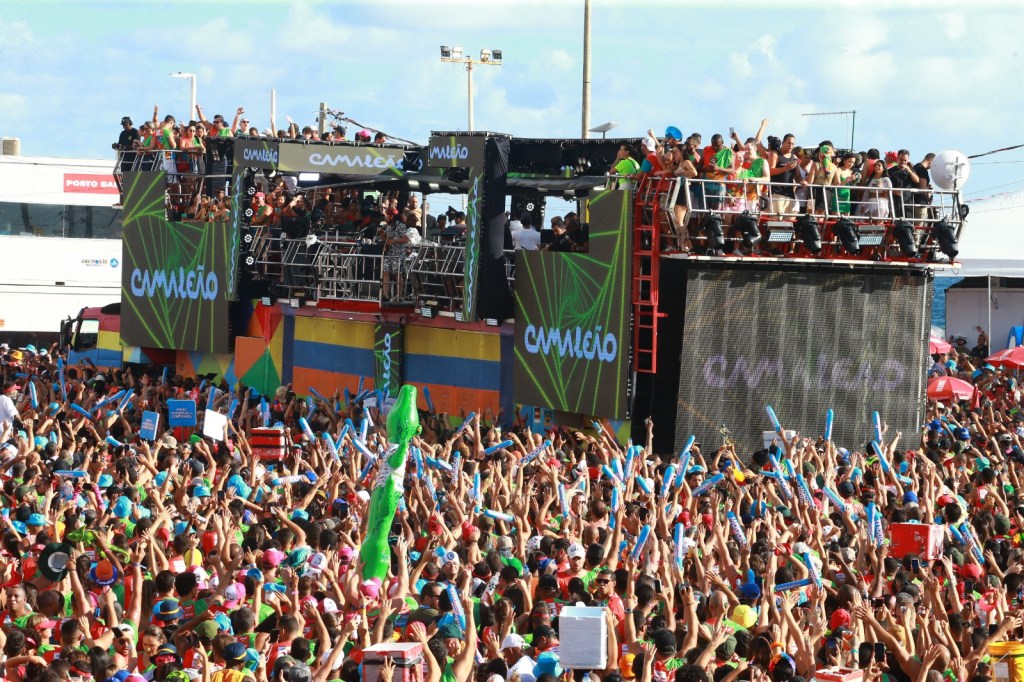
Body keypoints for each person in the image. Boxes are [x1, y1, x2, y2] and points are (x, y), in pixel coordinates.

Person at [886, 149, 922, 220]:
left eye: (905, 160)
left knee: (908, 222)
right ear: (897, 159)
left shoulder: (911, 171)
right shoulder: (890, 171)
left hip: (907, 202)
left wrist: (909, 171)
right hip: (894, 202)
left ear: (908, 160)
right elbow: (885, 186)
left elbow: (917, 180)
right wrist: (894, 191)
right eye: (901, 160)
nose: (903, 162)